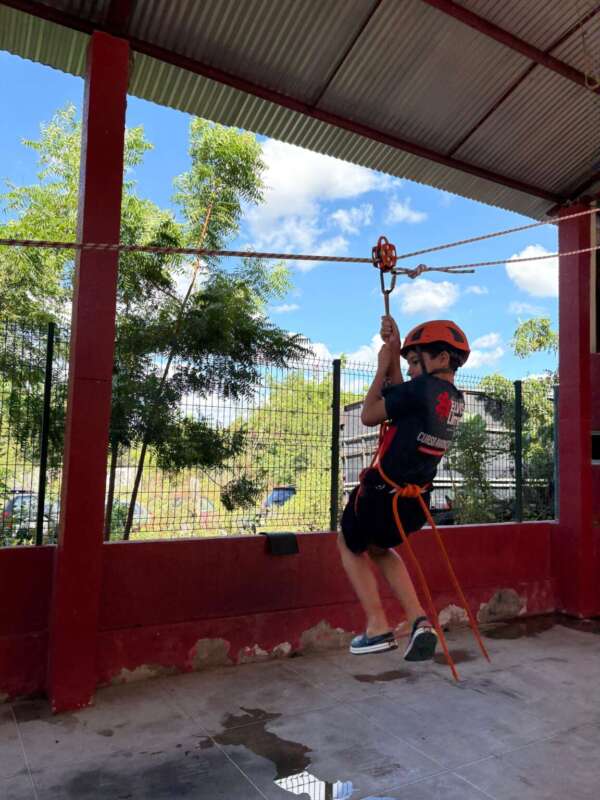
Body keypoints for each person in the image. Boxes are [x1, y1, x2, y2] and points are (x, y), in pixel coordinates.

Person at [338, 316, 469, 661]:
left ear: (441, 358)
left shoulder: (420, 390)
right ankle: (419, 621)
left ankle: (377, 625)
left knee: (348, 542)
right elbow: (403, 398)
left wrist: (383, 365)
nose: (409, 371)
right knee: (381, 550)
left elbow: (369, 415)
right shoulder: (454, 398)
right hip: (414, 503)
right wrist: (396, 350)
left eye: (415, 362)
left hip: (382, 494)